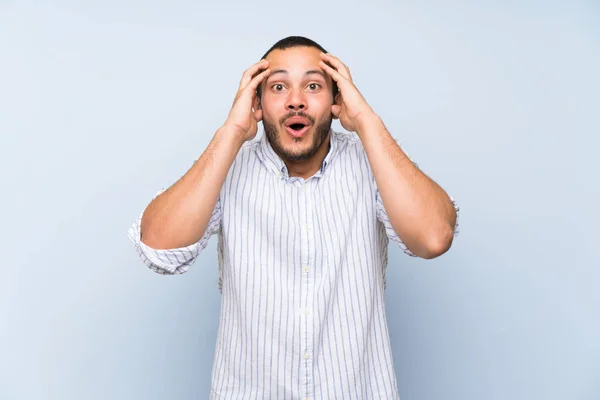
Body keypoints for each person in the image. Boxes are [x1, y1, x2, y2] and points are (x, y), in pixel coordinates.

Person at [128, 36, 459, 400]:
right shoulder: (226, 168)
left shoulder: (374, 165)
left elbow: (433, 238)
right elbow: (158, 248)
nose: (296, 100)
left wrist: (366, 121)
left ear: (336, 100)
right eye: (279, 86)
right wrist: (231, 132)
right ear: (257, 102)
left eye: (313, 86)